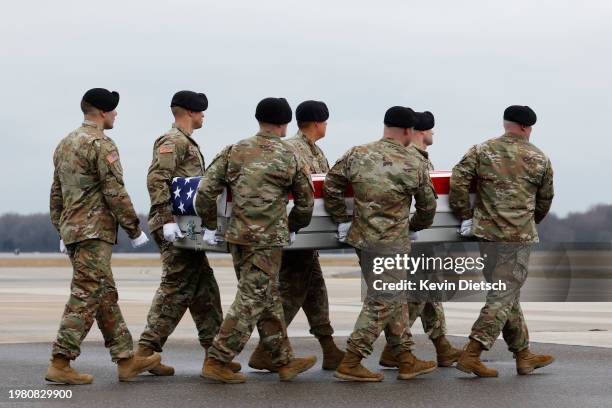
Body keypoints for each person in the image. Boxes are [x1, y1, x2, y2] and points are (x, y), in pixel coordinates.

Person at [195, 97, 317, 383]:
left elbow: (204, 193)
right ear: (284, 123)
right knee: (252, 299)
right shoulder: (290, 156)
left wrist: (212, 225)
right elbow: (305, 203)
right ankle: (218, 359)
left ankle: (283, 360)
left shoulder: (234, 150)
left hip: (237, 238)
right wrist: (293, 226)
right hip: (266, 241)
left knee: (267, 297)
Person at [46, 88, 160, 384]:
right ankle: (61, 361)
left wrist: (62, 227)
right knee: (85, 294)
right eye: (114, 110)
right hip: (94, 231)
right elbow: (114, 190)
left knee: (104, 295)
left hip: (74, 230)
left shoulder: (64, 144)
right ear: (102, 113)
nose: (116, 115)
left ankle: (125, 359)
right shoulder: (101, 143)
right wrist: (134, 228)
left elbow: (56, 193)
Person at [324, 106, 438, 382]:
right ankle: (352, 359)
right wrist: (413, 227)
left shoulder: (357, 153)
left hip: (362, 240)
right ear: (409, 131)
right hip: (391, 243)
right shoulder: (413, 163)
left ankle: (405, 357)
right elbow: (427, 206)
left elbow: (331, 184)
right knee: (383, 300)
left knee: (393, 299)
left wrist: (342, 218)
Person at [136, 91, 239, 377]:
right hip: (173, 226)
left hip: (186, 227)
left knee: (204, 289)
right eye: (201, 111)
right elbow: (157, 178)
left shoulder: (185, 141)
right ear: (190, 112)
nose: (203, 116)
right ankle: (145, 351)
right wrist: (167, 219)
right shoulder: (172, 141)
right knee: (176, 287)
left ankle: (214, 354)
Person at [449, 105, 555, 377]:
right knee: (502, 295)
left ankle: (523, 354)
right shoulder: (539, 158)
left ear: (506, 123)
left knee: (506, 295)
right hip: (517, 236)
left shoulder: (482, 150)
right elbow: (545, 200)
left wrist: (466, 215)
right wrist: (529, 222)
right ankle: (473, 352)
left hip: (487, 235)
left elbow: (458, 180)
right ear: (527, 127)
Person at [248, 100, 344, 372]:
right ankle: (266, 350)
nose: (326, 126)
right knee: (293, 290)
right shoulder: (292, 149)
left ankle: (329, 347)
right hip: (293, 233)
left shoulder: (314, 151)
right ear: (317, 123)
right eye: (325, 121)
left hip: (307, 234)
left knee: (314, 288)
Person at [378, 111, 462, 369]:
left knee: (429, 291)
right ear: (420, 132)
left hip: (420, 237)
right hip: (416, 239)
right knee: (418, 291)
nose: (433, 133)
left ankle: (442, 346)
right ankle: (395, 350)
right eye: (431, 129)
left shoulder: (418, 159)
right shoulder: (414, 161)